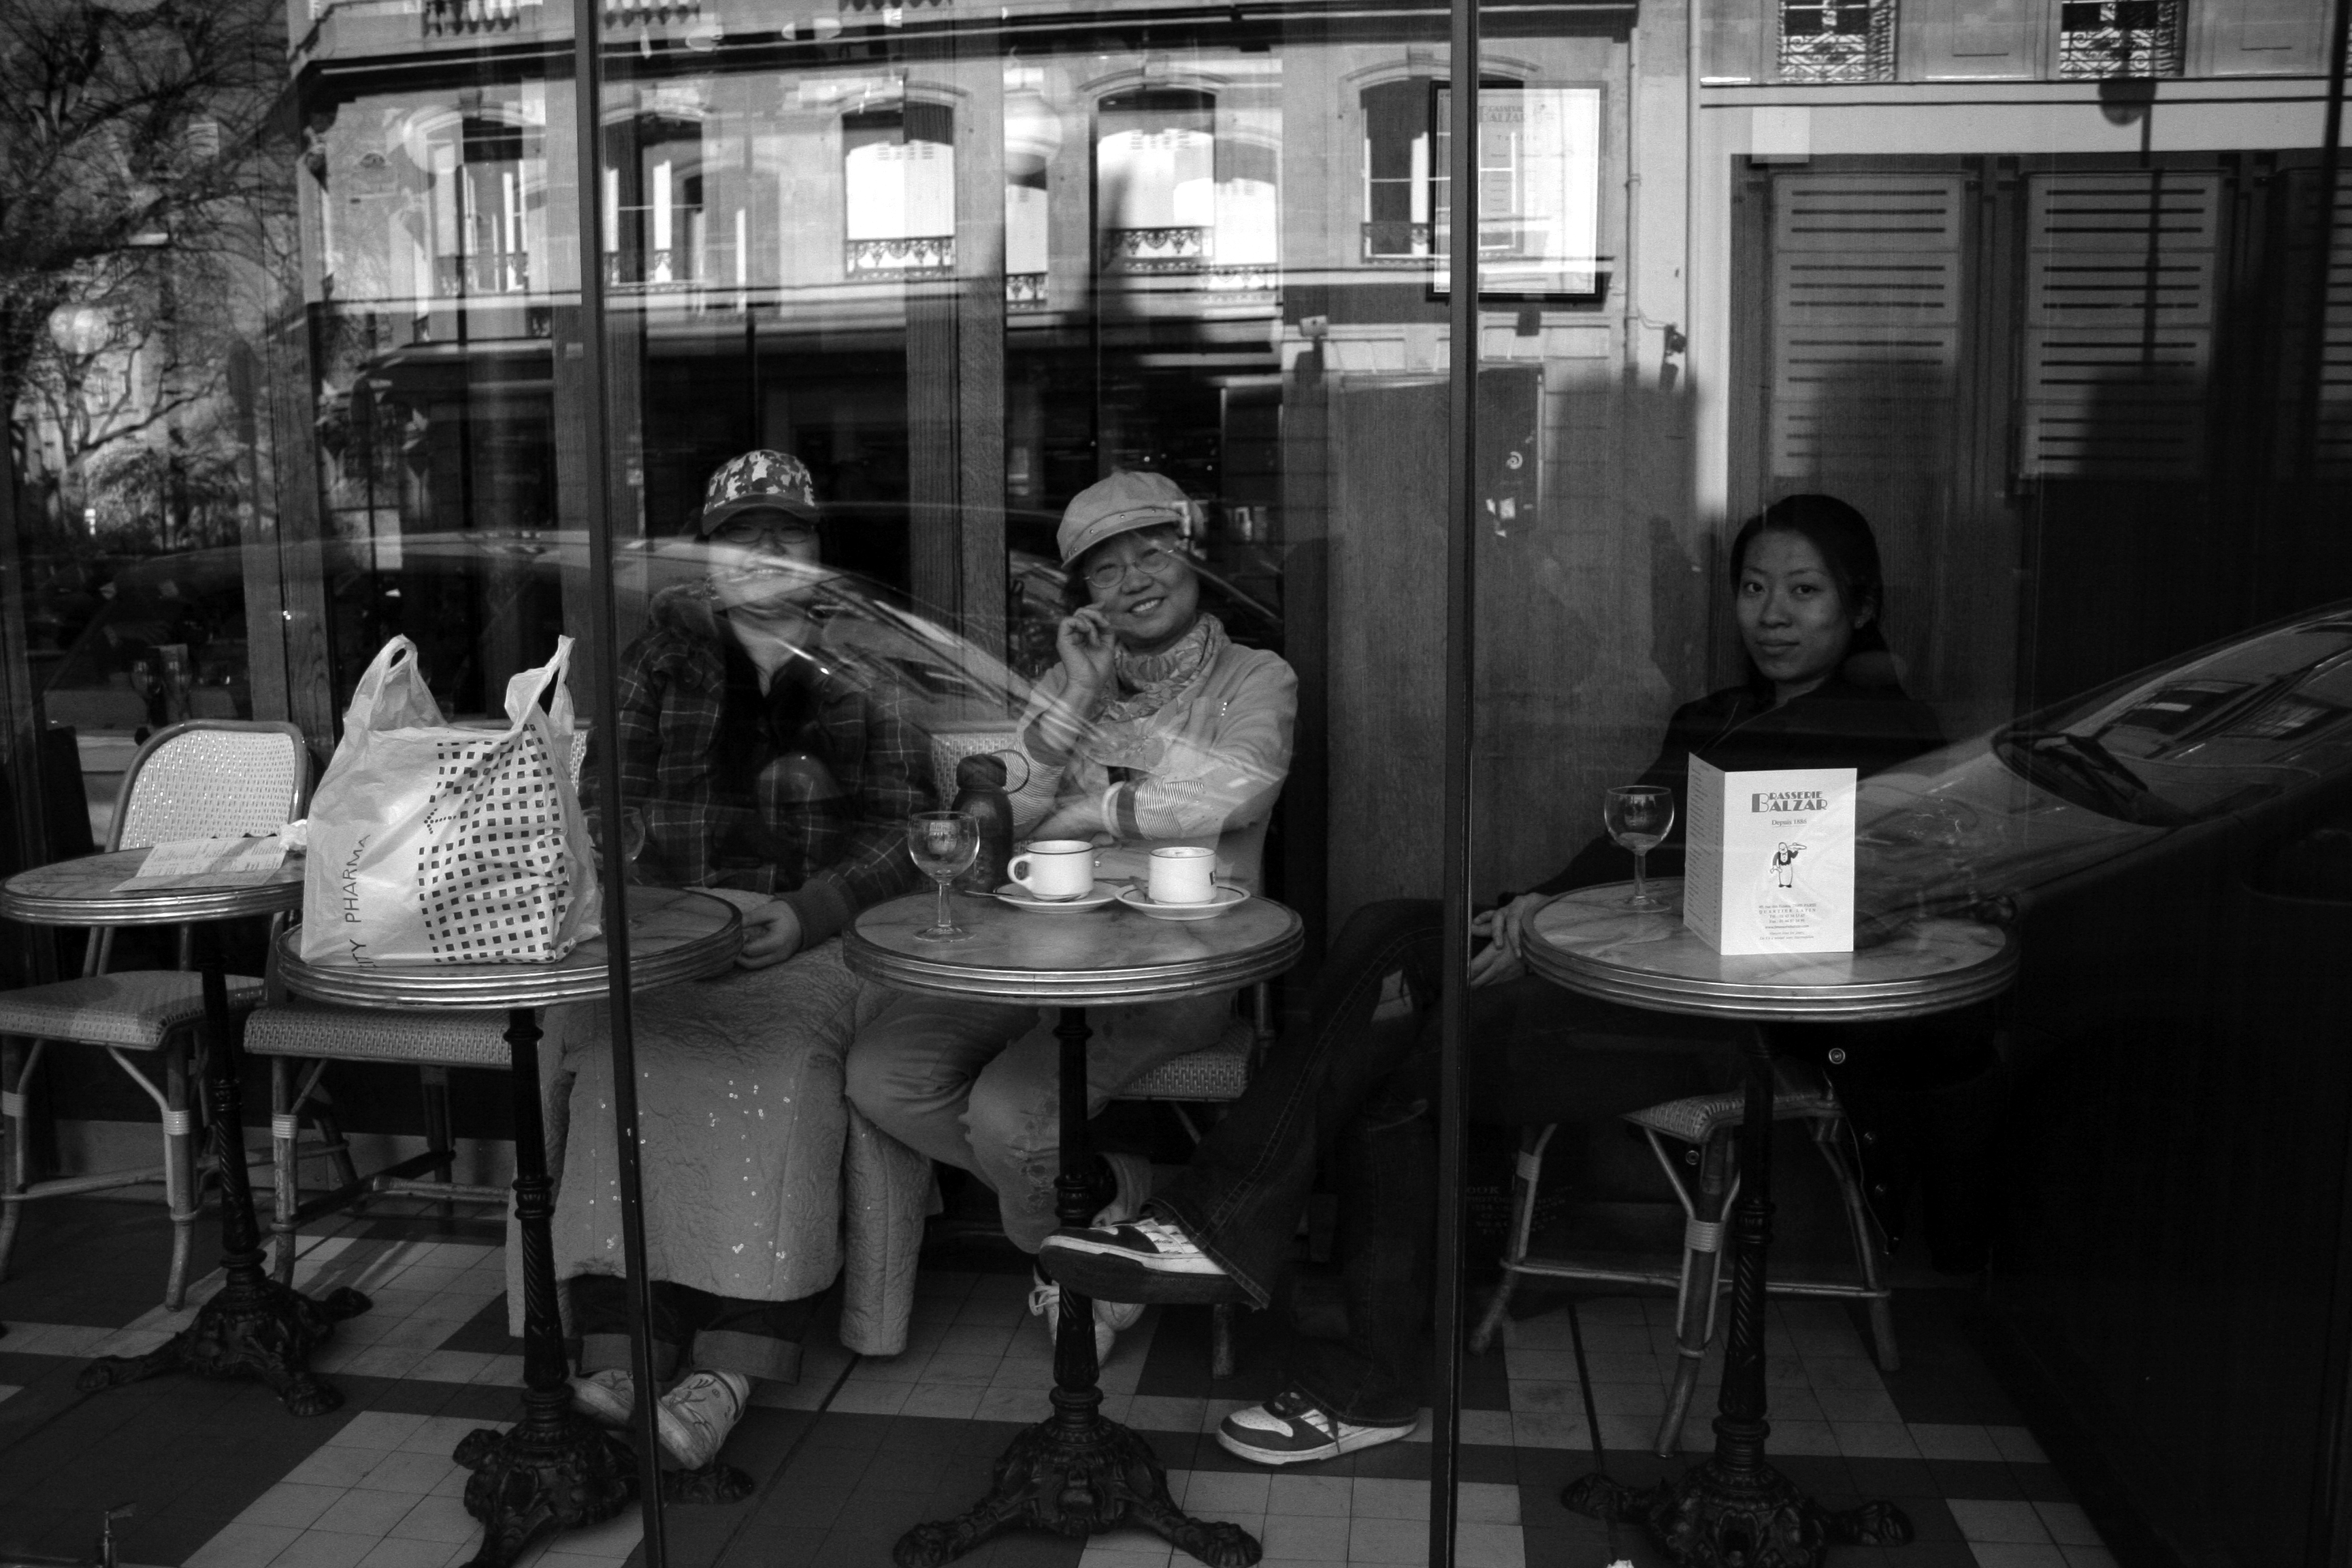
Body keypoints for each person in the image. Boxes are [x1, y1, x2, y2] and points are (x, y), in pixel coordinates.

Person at [1041, 493, 1976, 1466]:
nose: (1772, 615)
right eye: (1753, 588)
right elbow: (1635, 855)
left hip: (1714, 1012)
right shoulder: (1718, 715)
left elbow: (1875, 911)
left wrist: (1553, 925)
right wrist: (1534, 908)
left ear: (1861, 606)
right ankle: (1231, 1237)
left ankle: (1343, 1357)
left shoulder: (1886, 736)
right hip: (1608, 961)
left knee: (1400, 1067)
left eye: (1804, 591)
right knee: (1390, 930)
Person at [846, 470, 1298, 1363]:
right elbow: (1007, 808)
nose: (1134, 580)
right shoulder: (1069, 679)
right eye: (1105, 568)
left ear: (1191, 557)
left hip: (1179, 961)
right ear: (1085, 591)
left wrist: (1095, 813)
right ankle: (1100, 1201)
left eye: (1152, 553)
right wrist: (1081, 693)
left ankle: (1077, 1267)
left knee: (1010, 1116)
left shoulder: (1257, 676)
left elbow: (1237, 786)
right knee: (882, 1073)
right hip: (1037, 950)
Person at [550, 449, 934, 1469]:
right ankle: (621, 1347)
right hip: (675, 939)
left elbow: (913, 828)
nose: (764, 552)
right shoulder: (660, 660)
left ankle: (728, 1370)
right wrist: (668, 906)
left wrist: (810, 911)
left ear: (816, 548)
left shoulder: (867, 661)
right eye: (740, 536)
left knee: (779, 1074)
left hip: (824, 940)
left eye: (786, 533)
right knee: (622, 1068)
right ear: (709, 555)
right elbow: (601, 806)